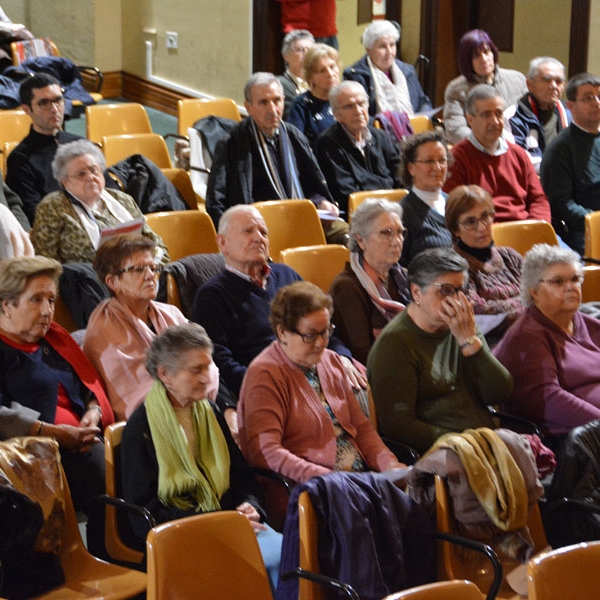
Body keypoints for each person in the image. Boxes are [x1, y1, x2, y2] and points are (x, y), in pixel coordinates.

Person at [120, 323, 282, 588]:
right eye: (196, 370)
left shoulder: (210, 411)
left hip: (231, 520)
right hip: (184, 533)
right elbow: (144, 515)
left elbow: (242, 478)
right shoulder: (141, 429)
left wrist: (251, 505)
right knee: (264, 565)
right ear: (165, 374)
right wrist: (218, 524)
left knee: (288, 558)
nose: (207, 378)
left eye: (208, 367)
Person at [193, 205, 365, 439]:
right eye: (248, 231)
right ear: (222, 243)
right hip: (269, 389)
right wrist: (280, 383)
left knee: (361, 383)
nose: (258, 238)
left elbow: (323, 328)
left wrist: (342, 357)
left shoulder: (286, 274)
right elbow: (220, 363)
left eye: (263, 232)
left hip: (315, 371)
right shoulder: (212, 295)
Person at [0, 256, 114, 550]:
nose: (48, 310)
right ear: (5, 305)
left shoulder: (55, 339)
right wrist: (51, 433)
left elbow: (87, 384)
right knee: (108, 472)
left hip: (83, 441)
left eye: (51, 300)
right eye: (36, 300)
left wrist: (93, 410)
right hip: (32, 456)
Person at [238, 281, 404, 484]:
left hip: (359, 481)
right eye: (310, 335)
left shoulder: (331, 360)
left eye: (325, 332)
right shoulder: (264, 375)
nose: (320, 343)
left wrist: (389, 464)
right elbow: (266, 452)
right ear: (282, 333)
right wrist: (331, 480)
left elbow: (361, 428)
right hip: (311, 490)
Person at [367, 247, 513, 454]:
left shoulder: (463, 326)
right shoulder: (395, 344)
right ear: (417, 292)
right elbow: (398, 427)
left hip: (485, 445)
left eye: (461, 291)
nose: (456, 300)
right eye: (445, 291)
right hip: (443, 456)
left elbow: (499, 393)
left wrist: (469, 342)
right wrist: (460, 444)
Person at [83, 234, 215, 421]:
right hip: (150, 424)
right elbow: (134, 394)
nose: (150, 275)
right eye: (138, 269)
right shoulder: (103, 330)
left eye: (153, 268)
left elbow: (207, 366)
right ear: (113, 282)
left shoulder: (171, 314)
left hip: (200, 407)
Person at [205, 72, 347, 244]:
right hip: (260, 226)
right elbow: (215, 201)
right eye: (263, 102)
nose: (272, 109)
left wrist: (321, 201)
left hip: (302, 217)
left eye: (277, 101)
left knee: (351, 238)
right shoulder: (233, 143)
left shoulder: (294, 136)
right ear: (248, 107)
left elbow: (311, 184)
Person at [493, 244, 600, 447]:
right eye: (558, 281)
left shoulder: (588, 322)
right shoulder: (525, 338)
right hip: (570, 441)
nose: (571, 287)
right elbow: (550, 401)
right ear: (534, 292)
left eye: (575, 279)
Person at [30, 139, 169, 265]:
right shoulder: (53, 207)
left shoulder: (122, 199)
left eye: (94, 170)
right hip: (89, 286)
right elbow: (46, 262)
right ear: (65, 182)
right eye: (81, 174)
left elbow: (156, 245)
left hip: (139, 278)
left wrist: (152, 268)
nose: (91, 177)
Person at [5, 73, 118, 226]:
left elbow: (111, 191)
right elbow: (34, 212)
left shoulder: (81, 144)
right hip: (65, 229)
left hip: (103, 220)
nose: (54, 109)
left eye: (58, 100)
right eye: (44, 103)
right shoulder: (20, 159)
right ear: (27, 109)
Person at [443, 84, 552, 224]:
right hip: (485, 235)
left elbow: (538, 199)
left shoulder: (519, 154)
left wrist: (537, 228)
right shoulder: (456, 159)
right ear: (470, 120)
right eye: (486, 115)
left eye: (499, 113)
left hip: (526, 230)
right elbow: (455, 213)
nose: (495, 121)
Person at [330, 199, 411, 364]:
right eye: (387, 233)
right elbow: (362, 354)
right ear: (361, 240)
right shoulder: (346, 287)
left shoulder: (404, 278)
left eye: (400, 232)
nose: (397, 241)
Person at [445, 184, 524, 343]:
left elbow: (540, 291)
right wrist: (528, 304)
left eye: (485, 217)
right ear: (456, 230)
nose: (481, 227)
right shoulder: (454, 267)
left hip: (531, 331)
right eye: (470, 222)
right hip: (494, 344)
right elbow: (478, 311)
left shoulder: (510, 256)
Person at [315, 81, 403, 214]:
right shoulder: (327, 144)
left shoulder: (381, 137)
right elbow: (346, 192)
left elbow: (401, 176)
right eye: (349, 107)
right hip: (361, 216)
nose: (358, 111)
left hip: (394, 209)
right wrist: (387, 193)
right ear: (336, 115)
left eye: (361, 104)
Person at [540, 73, 600, 255]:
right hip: (583, 230)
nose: (597, 102)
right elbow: (562, 204)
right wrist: (595, 222)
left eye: (599, 96)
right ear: (571, 106)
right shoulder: (560, 149)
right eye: (589, 97)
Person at [443, 29, 527, 145]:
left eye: (487, 52)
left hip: (519, 145)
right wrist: (488, 143)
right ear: (467, 61)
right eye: (476, 56)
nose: (484, 59)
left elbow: (530, 118)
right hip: (477, 150)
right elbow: (455, 130)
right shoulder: (457, 89)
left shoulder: (517, 80)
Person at [343, 20, 431, 117]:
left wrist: (423, 117)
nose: (389, 52)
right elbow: (356, 116)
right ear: (369, 50)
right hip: (377, 131)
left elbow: (423, 101)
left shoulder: (407, 71)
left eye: (392, 45)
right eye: (382, 47)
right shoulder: (355, 76)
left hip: (414, 129)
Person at [397, 131, 453, 267]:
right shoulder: (402, 213)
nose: (437, 168)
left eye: (442, 160)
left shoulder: (457, 203)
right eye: (429, 161)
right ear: (411, 168)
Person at [508, 57, 571, 172]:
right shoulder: (513, 116)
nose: (553, 86)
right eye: (546, 80)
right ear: (529, 84)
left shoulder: (572, 113)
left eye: (558, 81)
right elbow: (517, 159)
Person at [287, 43, 340, 146]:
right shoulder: (301, 106)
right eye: (322, 70)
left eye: (332, 67)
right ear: (310, 78)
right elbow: (296, 146)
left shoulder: (346, 98)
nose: (330, 74)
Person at [277, 29, 315, 119]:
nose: (306, 54)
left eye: (310, 50)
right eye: (300, 50)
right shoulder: (280, 84)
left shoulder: (319, 82)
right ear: (286, 55)